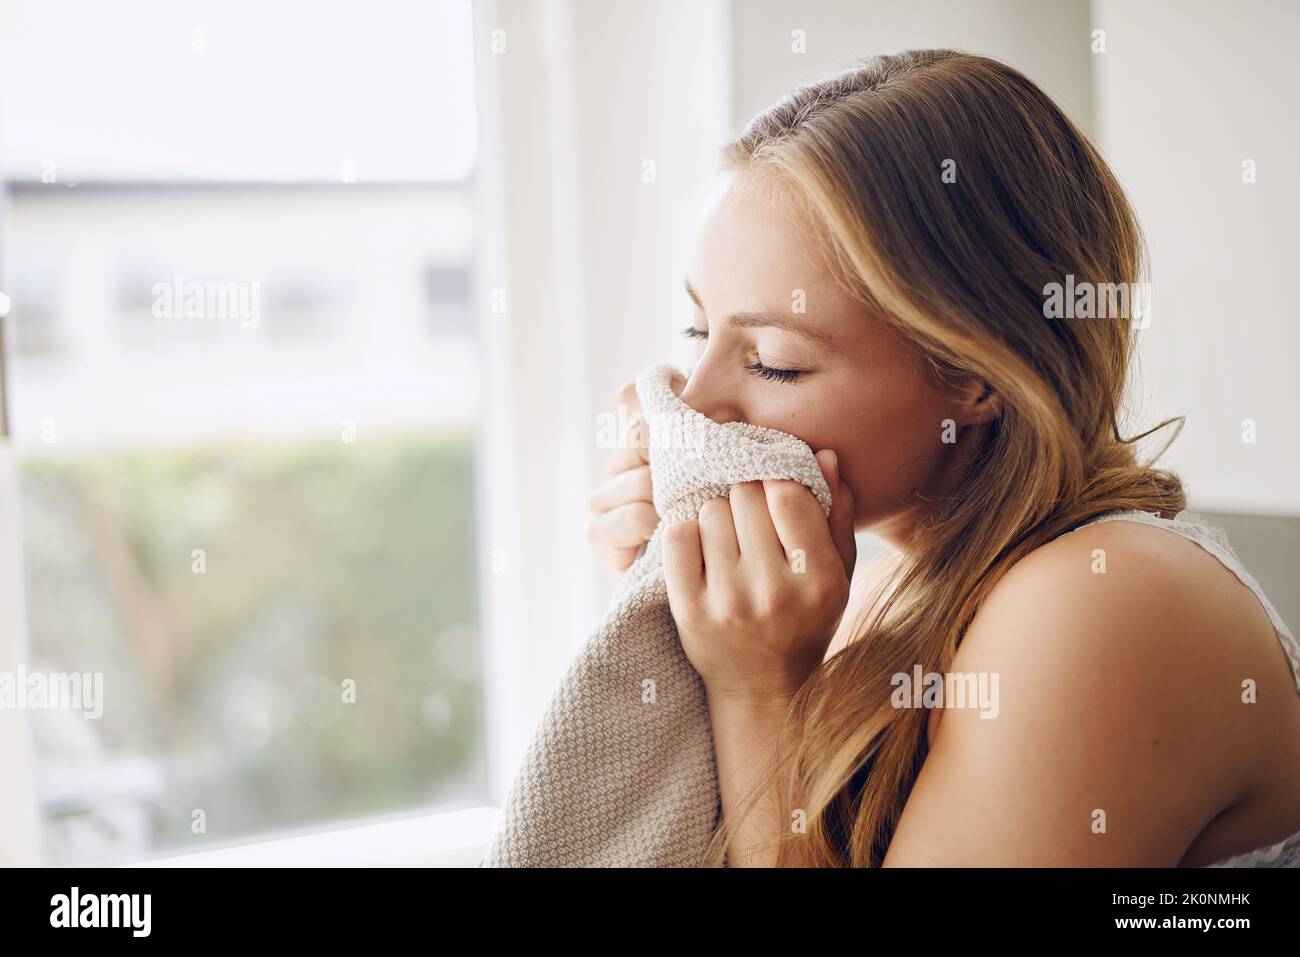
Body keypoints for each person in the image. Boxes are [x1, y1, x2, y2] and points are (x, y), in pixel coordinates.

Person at [585, 50, 1300, 867]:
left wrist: (755, 690)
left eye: (773, 361)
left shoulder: (1102, 599)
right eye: (699, 333)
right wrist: (668, 603)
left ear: (974, 376)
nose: (698, 401)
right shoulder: (878, 581)